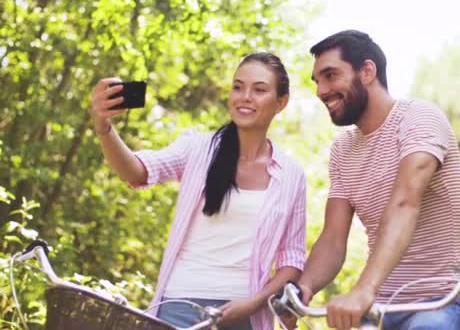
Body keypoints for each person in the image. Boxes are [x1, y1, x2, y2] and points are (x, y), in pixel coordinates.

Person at [89, 52, 306, 330]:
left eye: (259, 90)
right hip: (179, 306)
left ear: (281, 102)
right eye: (238, 87)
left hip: (244, 315)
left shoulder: (291, 176)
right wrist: (103, 126)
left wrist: (253, 303)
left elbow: (292, 259)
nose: (245, 96)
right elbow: (137, 170)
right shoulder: (198, 149)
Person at [293, 30, 460, 329]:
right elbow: (333, 238)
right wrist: (304, 288)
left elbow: (405, 203)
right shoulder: (343, 149)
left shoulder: (418, 118)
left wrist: (363, 289)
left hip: (439, 303)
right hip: (379, 307)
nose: (321, 91)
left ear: (366, 71)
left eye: (330, 75)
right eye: (317, 81)